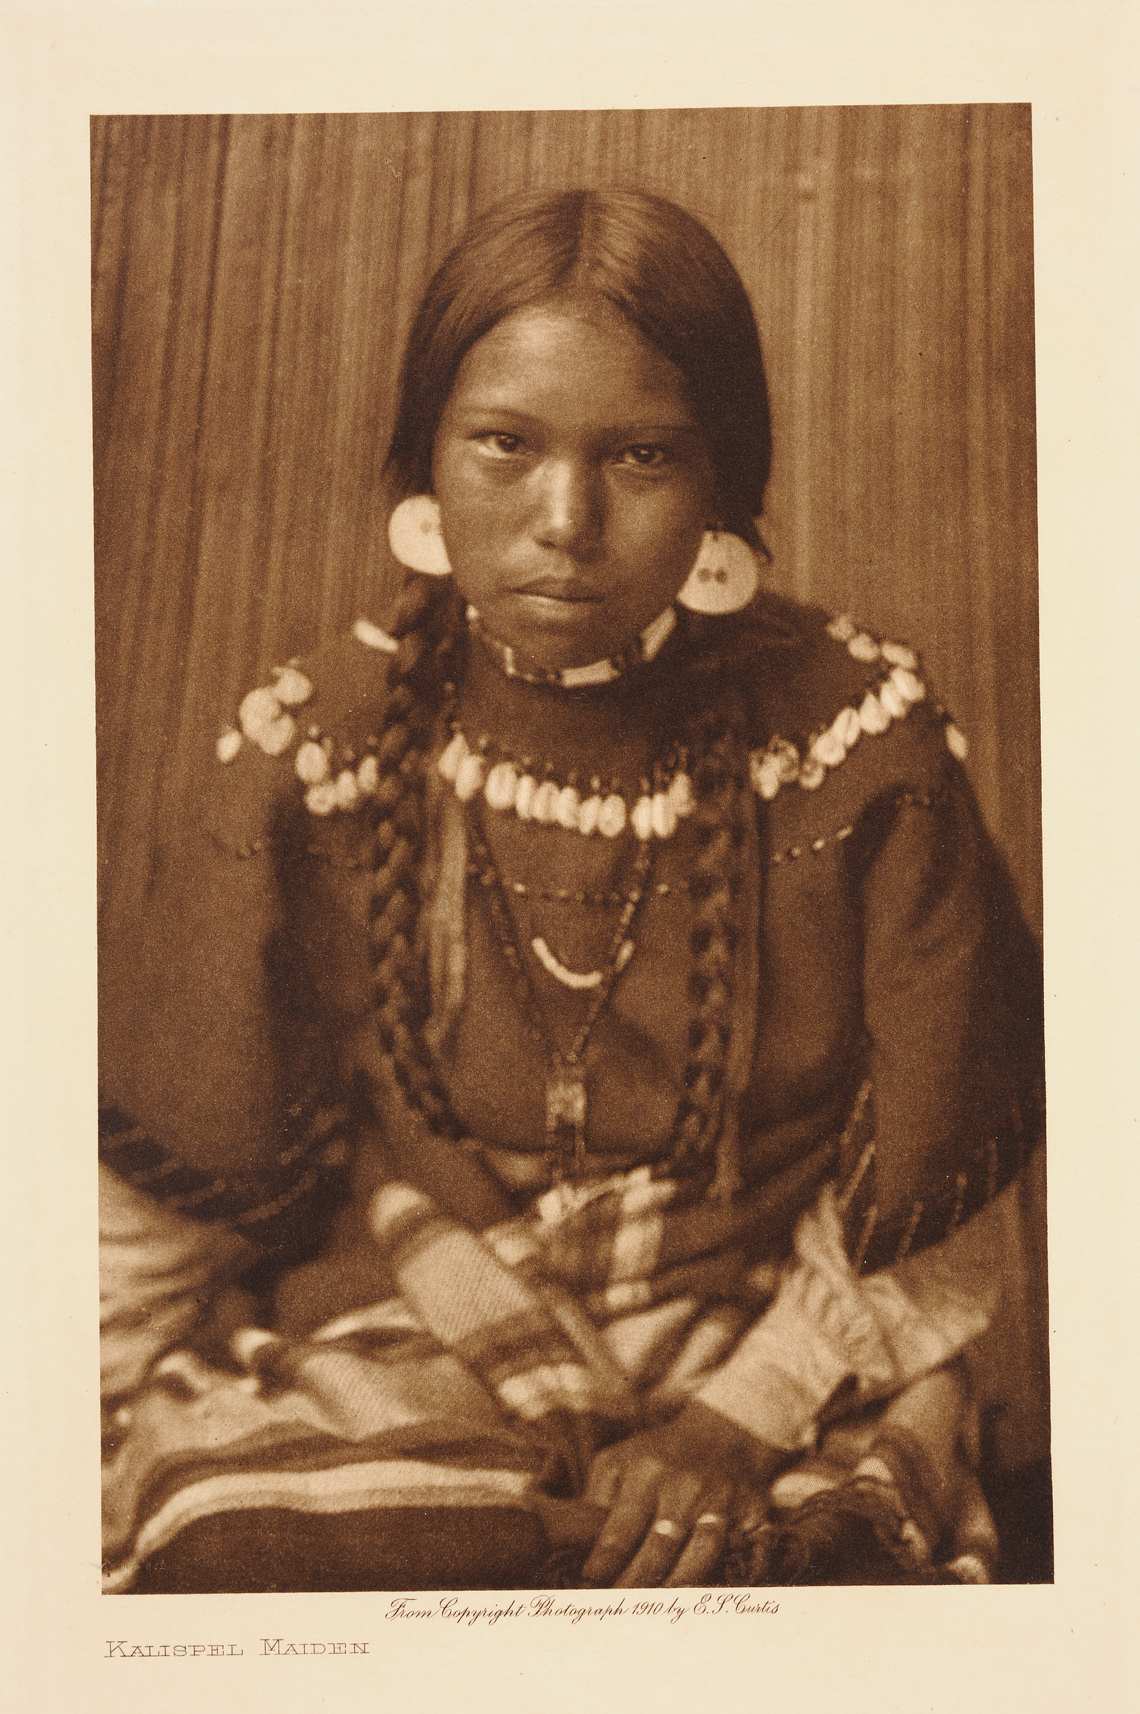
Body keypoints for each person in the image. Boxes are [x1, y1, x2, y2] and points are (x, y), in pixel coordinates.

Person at [98, 187, 1044, 1594]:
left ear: (725, 480)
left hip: (776, 1355)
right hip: (406, 1318)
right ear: (426, 460)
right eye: (505, 445)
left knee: (804, 1572)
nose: (565, 518)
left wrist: (739, 1420)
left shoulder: (859, 742)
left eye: (644, 455)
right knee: (244, 1548)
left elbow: (945, 1198)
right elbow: (163, 1188)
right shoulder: (323, 744)